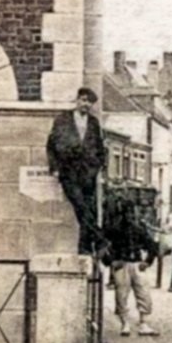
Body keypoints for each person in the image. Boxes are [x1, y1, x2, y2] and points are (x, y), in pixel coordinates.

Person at [46, 87, 107, 256]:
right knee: (80, 205)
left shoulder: (94, 123)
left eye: (90, 102)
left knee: (86, 209)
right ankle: (100, 239)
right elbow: (51, 145)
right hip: (68, 172)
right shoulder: (63, 119)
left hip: (88, 173)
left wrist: (98, 167)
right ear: (77, 100)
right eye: (84, 100)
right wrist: (55, 168)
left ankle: (85, 248)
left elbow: (100, 147)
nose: (86, 104)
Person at [101, 196, 160, 337]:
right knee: (121, 295)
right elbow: (101, 244)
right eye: (127, 213)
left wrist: (148, 261)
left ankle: (143, 323)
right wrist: (111, 261)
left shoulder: (139, 229)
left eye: (132, 213)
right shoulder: (113, 229)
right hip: (122, 264)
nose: (130, 216)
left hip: (137, 264)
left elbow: (152, 245)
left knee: (144, 293)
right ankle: (125, 323)